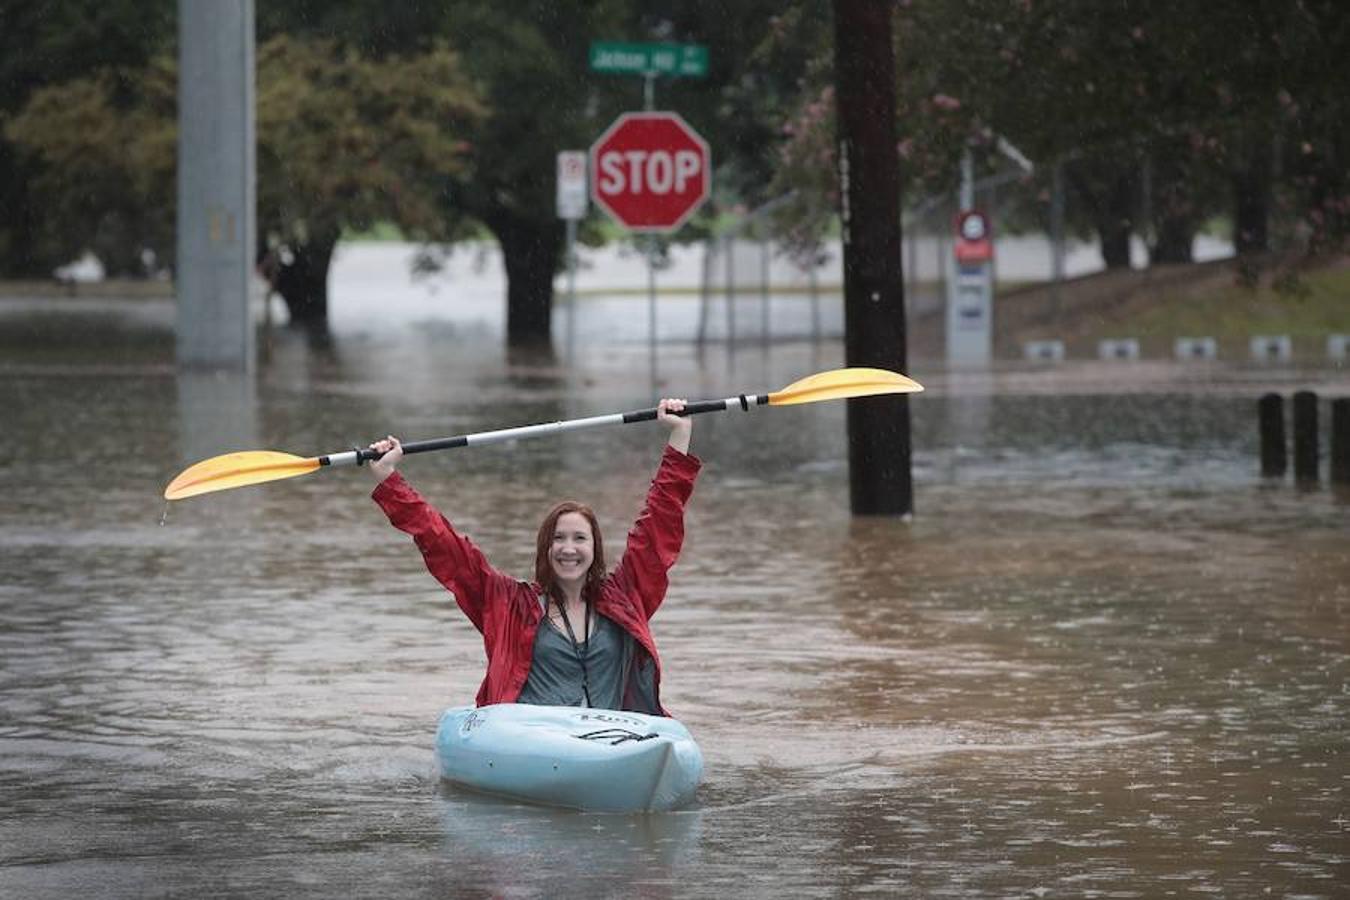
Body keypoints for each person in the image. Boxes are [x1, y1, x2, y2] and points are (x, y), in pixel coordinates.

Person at [367, 399, 700, 716]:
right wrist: (389, 480)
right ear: (545, 548)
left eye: (579, 538)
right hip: (529, 742)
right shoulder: (507, 604)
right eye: (558, 539)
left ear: (595, 548)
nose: (568, 549)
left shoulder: (626, 597)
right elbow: (444, 545)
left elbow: (658, 528)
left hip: (608, 739)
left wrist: (679, 435)